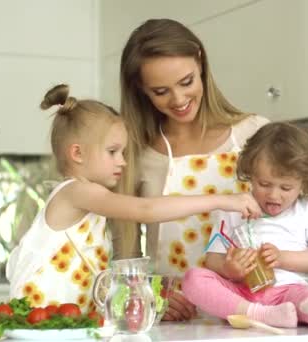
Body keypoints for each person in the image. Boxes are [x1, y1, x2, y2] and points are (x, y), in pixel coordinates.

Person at [6, 84, 261, 311]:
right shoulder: (77, 192)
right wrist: (223, 200)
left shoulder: (87, 199)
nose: (123, 161)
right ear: (77, 153)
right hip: (38, 322)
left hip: (66, 324)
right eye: (113, 151)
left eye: (123, 151)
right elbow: (146, 209)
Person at [113, 18, 270, 321]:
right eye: (161, 91)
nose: (179, 100)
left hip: (253, 314)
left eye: (186, 82)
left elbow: (289, 223)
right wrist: (152, 292)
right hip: (177, 321)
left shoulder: (254, 134)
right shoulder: (137, 153)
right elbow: (125, 252)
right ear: (141, 90)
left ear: (200, 61)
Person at [181, 122, 308, 332]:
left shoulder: (307, 208)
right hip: (241, 293)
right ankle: (259, 314)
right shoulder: (234, 206)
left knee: (306, 300)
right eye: (264, 184)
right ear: (250, 174)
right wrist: (230, 269)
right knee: (193, 279)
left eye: (286, 187)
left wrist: (282, 258)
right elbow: (212, 259)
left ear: (303, 183)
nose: (273, 195)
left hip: (289, 291)